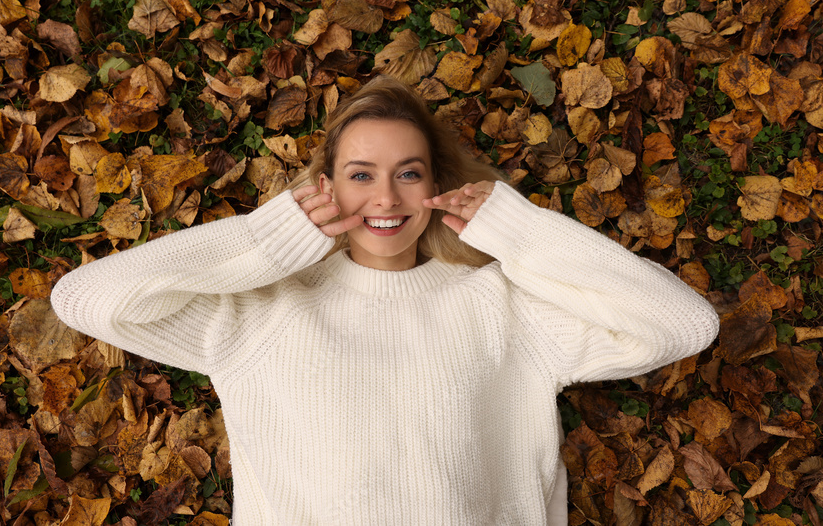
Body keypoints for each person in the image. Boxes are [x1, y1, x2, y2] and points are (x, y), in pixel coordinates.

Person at [50, 75, 720, 525]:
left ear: (436, 183)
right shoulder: (261, 310)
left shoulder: (503, 307)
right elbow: (86, 300)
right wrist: (269, 239)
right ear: (326, 187)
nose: (386, 198)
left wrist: (519, 231)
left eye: (408, 174)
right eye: (361, 175)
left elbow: (682, 324)